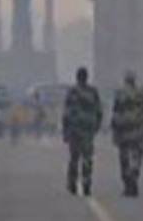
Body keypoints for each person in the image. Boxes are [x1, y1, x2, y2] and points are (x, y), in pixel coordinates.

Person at [62, 66, 103, 196]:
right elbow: (99, 111)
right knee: (87, 158)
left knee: (74, 158)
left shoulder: (72, 92)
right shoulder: (93, 92)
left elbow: (66, 113)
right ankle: (86, 183)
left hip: (74, 129)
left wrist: (65, 131)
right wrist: (96, 126)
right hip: (88, 130)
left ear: (77, 77)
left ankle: (72, 183)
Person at [110, 71, 143, 197]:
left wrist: (114, 129)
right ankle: (134, 172)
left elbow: (115, 111)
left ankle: (128, 182)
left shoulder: (119, 94)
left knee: (124, 157)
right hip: (138, 129)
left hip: (123, 129)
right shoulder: (141, 94)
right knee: (137, 155)